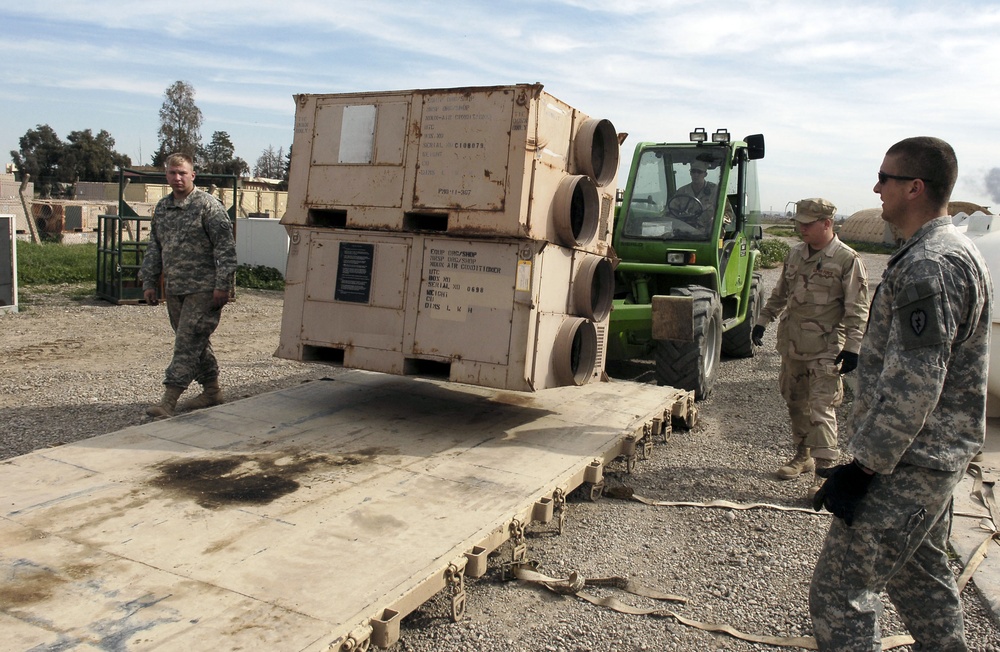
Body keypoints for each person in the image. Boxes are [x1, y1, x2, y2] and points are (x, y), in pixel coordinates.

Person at [809, 137, 992, 651]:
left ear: (914, 187)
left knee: (840, 593)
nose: (876, 188)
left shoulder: (929, 265)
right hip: (932, 458)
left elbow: (918, 382)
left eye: (885, 179)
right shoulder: (951, 251)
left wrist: (863, 467)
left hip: (907, 465)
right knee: (922, 580)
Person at [751, 198, 869, 498]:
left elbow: (857, 309)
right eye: (798, 223)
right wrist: (763, 320)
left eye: (807, 224)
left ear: (826, 223)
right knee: (794, 401)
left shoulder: (847, 259)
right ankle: (802, 456)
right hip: (792, 344)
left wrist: (853, 347)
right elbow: (781, 293)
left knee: (821, 409)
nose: (801, 228)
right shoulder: (795, 253)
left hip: (826, 348)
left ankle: (825, 472)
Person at [140, 152, 238, 419]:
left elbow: (226, 249)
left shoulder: (208, 206)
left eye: (182, 173)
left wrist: (223, 286)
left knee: (186, 343)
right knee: (195, 342)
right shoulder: (162, 208)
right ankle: (212, 390)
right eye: (172, 173)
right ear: (166, 176)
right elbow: (155, 247)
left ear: (193, 175)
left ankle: (168, 401)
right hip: (175, 289)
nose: (177, 178)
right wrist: (149, 281)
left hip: (204, 290)